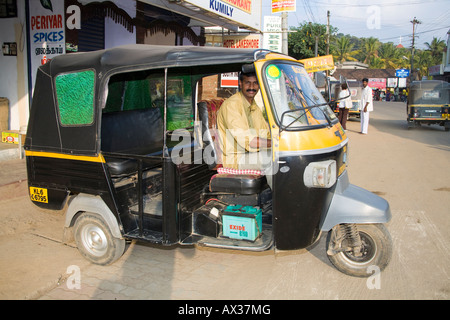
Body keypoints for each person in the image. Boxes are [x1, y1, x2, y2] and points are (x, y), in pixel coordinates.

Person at [216, 71, 272, 185]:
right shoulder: (232, 105)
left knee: (286, 155)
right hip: (236, 158)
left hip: (251, 154)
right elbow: (249, 141)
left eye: (255, 83)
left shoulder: (253, 105)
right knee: (273, 158)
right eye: (248, 83)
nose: (252, 87)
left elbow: (265, 134)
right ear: (240, 84)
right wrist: (278, 143)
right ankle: (280, 200)